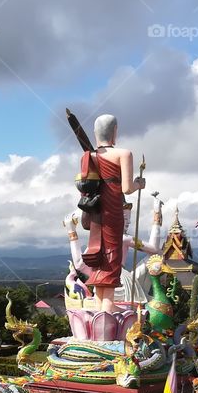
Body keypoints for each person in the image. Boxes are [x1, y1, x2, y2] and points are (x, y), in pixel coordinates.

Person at [78, 114, 146, 313]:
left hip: (96, 211)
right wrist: (139, 184)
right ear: (115, 131)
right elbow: (126, 188)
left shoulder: (88, 156)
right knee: (112, 253)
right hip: (113, 208)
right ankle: (107, 305)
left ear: (95, 133)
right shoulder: (123, 154)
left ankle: (100, 302)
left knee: (99, 251)